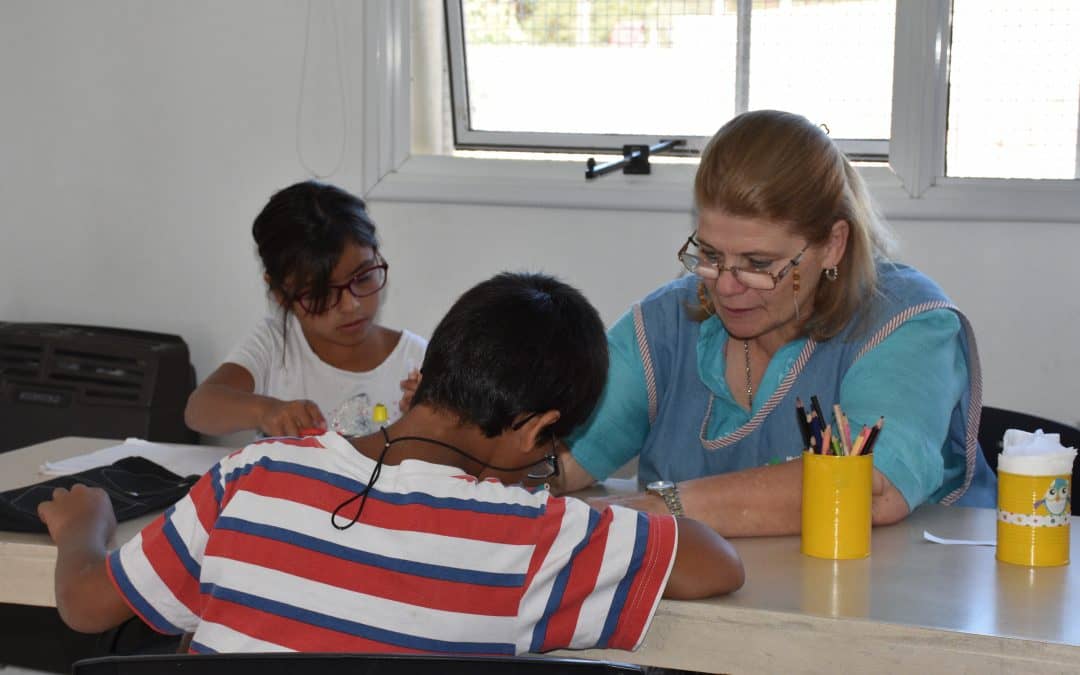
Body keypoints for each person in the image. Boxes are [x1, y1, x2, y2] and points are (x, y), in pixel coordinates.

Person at [38, 272, 744, 654]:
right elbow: (716, 562)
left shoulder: (253, 476)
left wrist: (84, 524)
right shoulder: (533, 537)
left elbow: (86, 603)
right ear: (535, 431)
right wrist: (581, 502)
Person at [555, 110, 996, 536]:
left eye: (759, 264)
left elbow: (870, 487)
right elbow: (555, 456)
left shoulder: (905, 323)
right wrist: (508, 472)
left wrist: (659, 507)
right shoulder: (666, 323)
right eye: (709, 255)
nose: (726, 287)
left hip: (906, 598)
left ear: (833, 245)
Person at [185, 180, 426, 440]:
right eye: (321, 293)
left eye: (363, 277)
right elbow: (198, 410)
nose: (351, 305)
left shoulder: (417, 361)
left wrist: (433, 420)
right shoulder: (276, 344)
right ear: (280, 294)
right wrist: (265, 410)